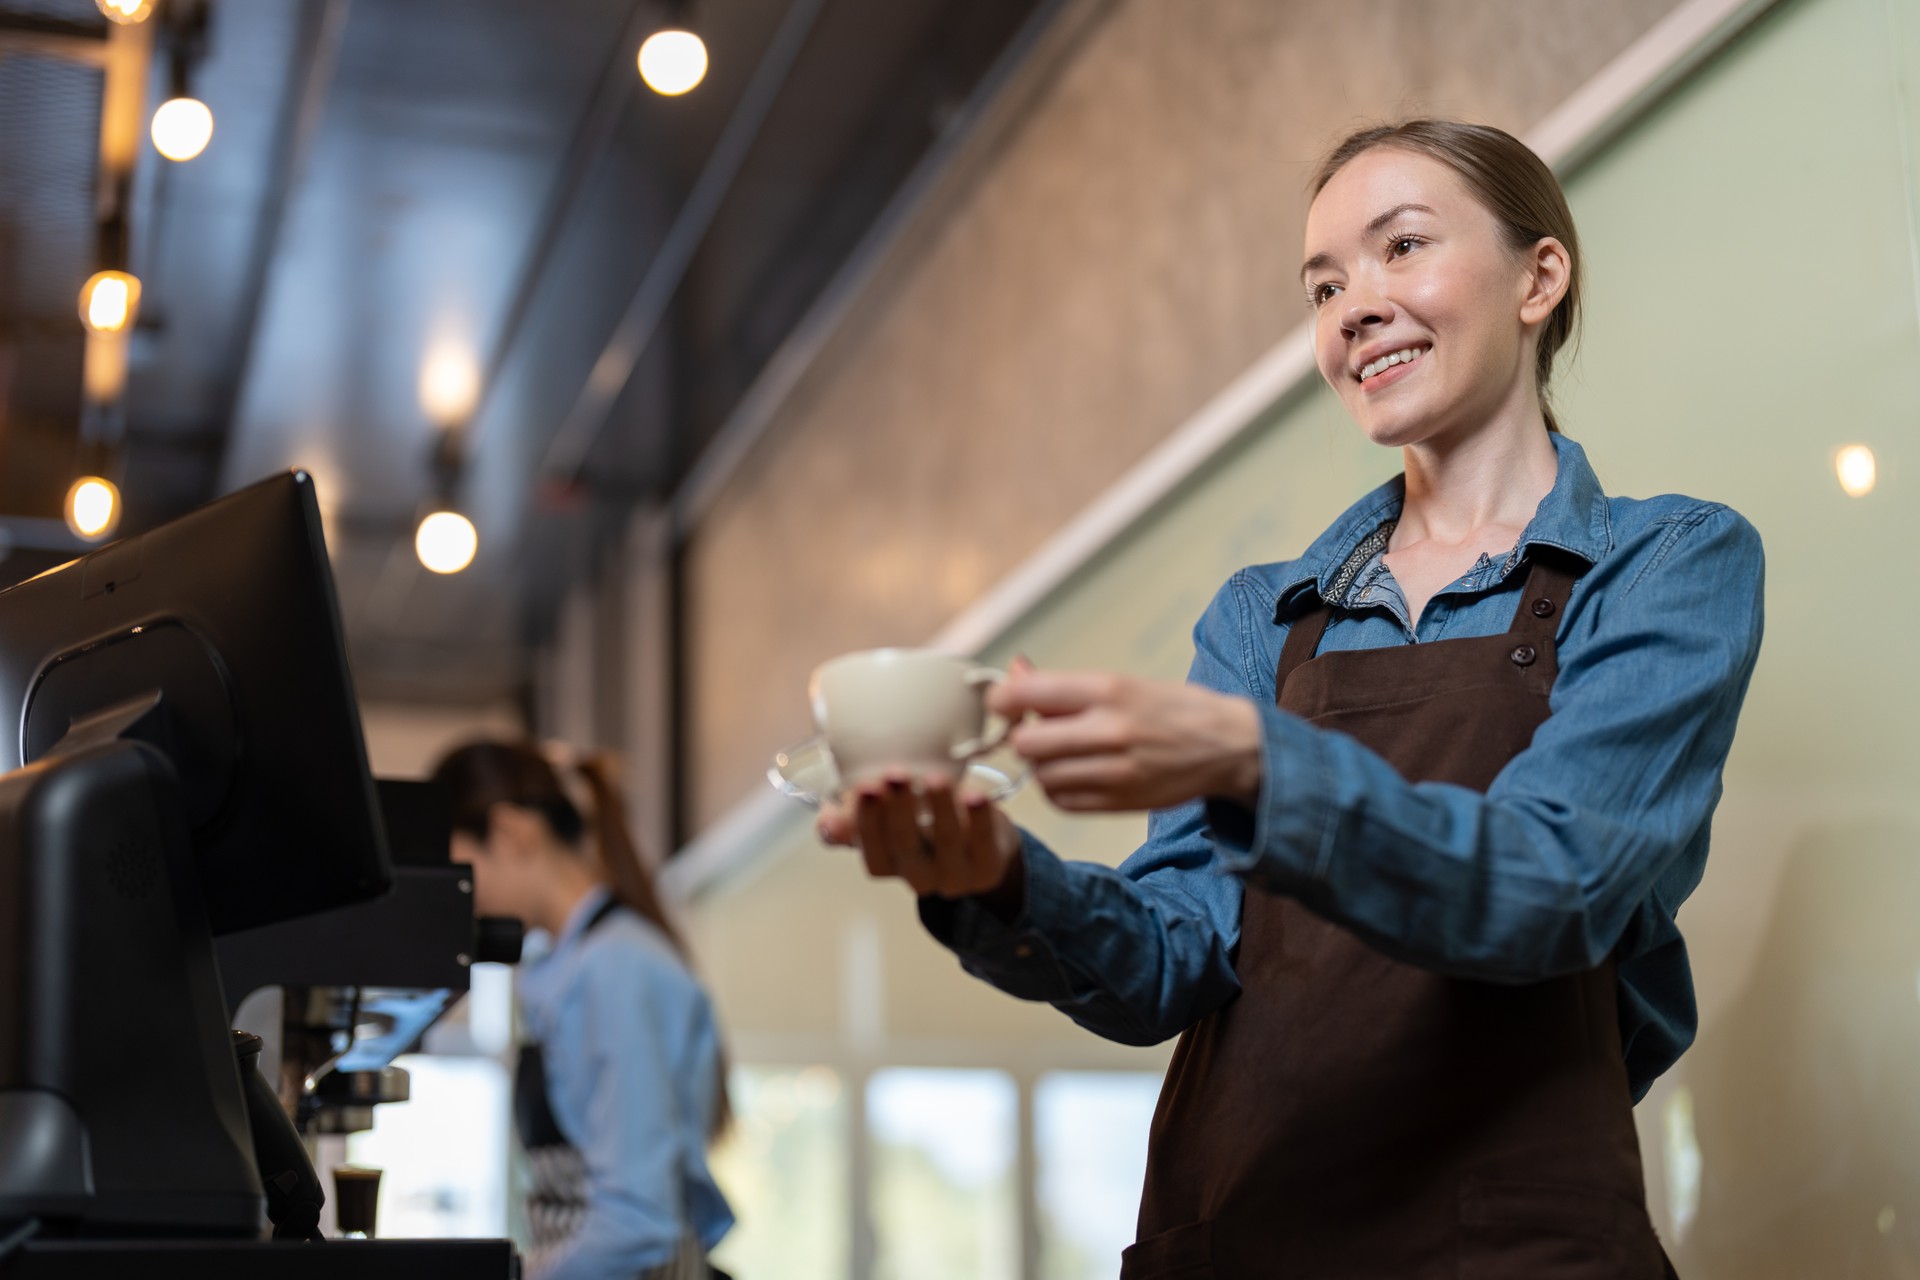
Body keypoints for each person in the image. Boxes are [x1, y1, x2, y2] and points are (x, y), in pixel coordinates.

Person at [820, 119, 1764, 1278]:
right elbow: (1173, 958)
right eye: (1324, 285)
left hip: (1518, 1249)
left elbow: (1553, 883)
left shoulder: (1668, 562)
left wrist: (1254, 760)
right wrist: (997, 880)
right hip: (1247, 1239)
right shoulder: (1259, 616)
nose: (1353, 307)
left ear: (1540, 275)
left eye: (1401, 247)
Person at [433, 740, 734, 1280]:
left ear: (509, 832)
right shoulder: (566, 967)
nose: (463, 898)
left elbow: (639, 1220)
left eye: (463, 869)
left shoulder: (613, 966)